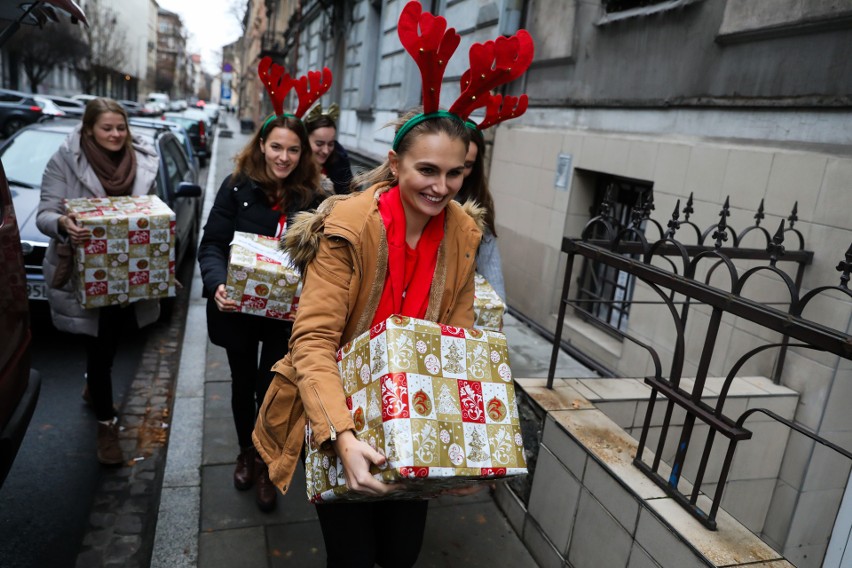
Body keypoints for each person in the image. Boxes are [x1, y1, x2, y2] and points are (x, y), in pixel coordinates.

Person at [252, 108, 483, 566]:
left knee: (401, 554)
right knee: (352, 555)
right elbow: (313, 342)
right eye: (428, 170)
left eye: (455, 173)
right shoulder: (349, 227)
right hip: (342, 411)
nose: (442, 187)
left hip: (413, 419)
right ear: (396, 165)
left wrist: (463, 447)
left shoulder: (463, 232)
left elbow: (458, 343)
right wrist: (341, 435)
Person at [197, 114, 327, 512]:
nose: (283, 157)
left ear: (303, 152)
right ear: (262, 145)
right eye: (276, 147)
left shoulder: (313, 198)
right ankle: (243, 452)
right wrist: (217, 282)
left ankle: (267, 462)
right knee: (240, 384)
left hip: (285, 318)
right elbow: (212, 243)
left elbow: (324, 261)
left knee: (270, 391)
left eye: (293, 149)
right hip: (236, 310)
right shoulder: (237, 186)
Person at [36, 97, 160, 466]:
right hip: (87, 271)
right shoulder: (65, 159)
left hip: (131, 272)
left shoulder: (142, 159)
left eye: (121, 128)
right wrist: (62, 225)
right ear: (89, 129)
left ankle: (95, 386)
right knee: (100, 345)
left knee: (113, 340)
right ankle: (107, 425)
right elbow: (44, 212)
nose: (116, 135)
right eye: (107, 128)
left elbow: (154, 208)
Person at [458, 127, 506, 301]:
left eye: (467, 165)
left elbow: (489, 259)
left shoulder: (478, 202)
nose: (459, 172)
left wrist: (497, 309)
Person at [303, 104, 353, 195]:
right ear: (305, 141)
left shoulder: (341, 166)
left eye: (330, 144)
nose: (326, 151)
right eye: (319, 144)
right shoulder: (293, 166)